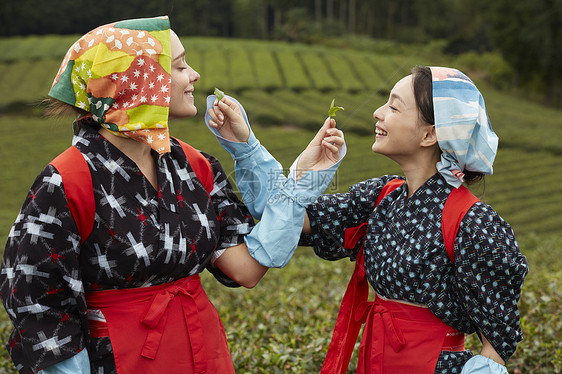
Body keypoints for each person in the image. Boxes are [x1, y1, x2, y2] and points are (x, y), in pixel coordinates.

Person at [0, 16, 345, 373]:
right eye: (179, 65)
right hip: (120, 358)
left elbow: (246, 269)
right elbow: (38, 304)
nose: (194, 75)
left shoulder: (195, 167)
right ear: (136, 82)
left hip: (200, 348)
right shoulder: (66, 180)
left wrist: (288, 176)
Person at [211, 66, 528, 373]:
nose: (378, 113)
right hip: (375, 360)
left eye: (393, 107)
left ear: (430, 134)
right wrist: (246, 147)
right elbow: (286, 216)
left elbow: (497, 342)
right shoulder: (381, 197)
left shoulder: (474, 222)